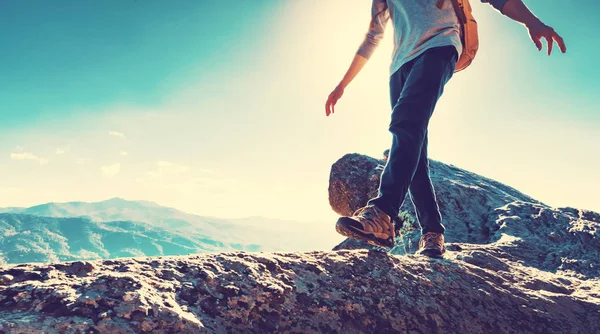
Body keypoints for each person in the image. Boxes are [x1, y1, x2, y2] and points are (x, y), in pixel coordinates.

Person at [325, 0, 566, 257]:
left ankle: (383, 213)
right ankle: (432, 233)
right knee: (413, 148)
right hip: (399, 66)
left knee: (405, 123)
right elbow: (373, 36)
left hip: (439, 46)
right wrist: (343, 84)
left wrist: (533, 22)